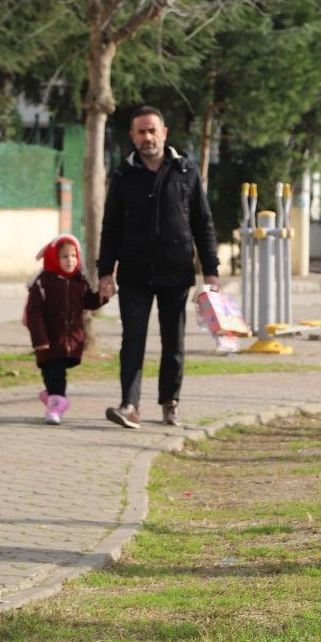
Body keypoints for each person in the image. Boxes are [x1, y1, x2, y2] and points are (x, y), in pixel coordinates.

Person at [98, 105, 220, 429]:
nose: (147, 137)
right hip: (135, 273)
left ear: (164, 133)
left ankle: (170, 403)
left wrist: (211, 271)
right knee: (133, 339)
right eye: (141, 131)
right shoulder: (122, 176)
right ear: (132, 136)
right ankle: (130, 405)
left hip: (176, 272)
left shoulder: (186, 172)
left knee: (173, 342)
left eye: (153, 130)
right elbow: (110, 228)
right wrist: (105, 273)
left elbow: (203, 224)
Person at [24, 235, 109, 424]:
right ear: (54, 257)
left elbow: (88, 302)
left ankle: (52, 399)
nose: (70, 260)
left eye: (73, 256)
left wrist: (102, 297)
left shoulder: (80, 281)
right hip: (48, 341)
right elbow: (33, 313)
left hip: (71, 341)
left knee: (55, 375)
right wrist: (40, 339)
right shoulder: (43, 282)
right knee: (53, 374)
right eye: (64, 256)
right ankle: (55, 409)